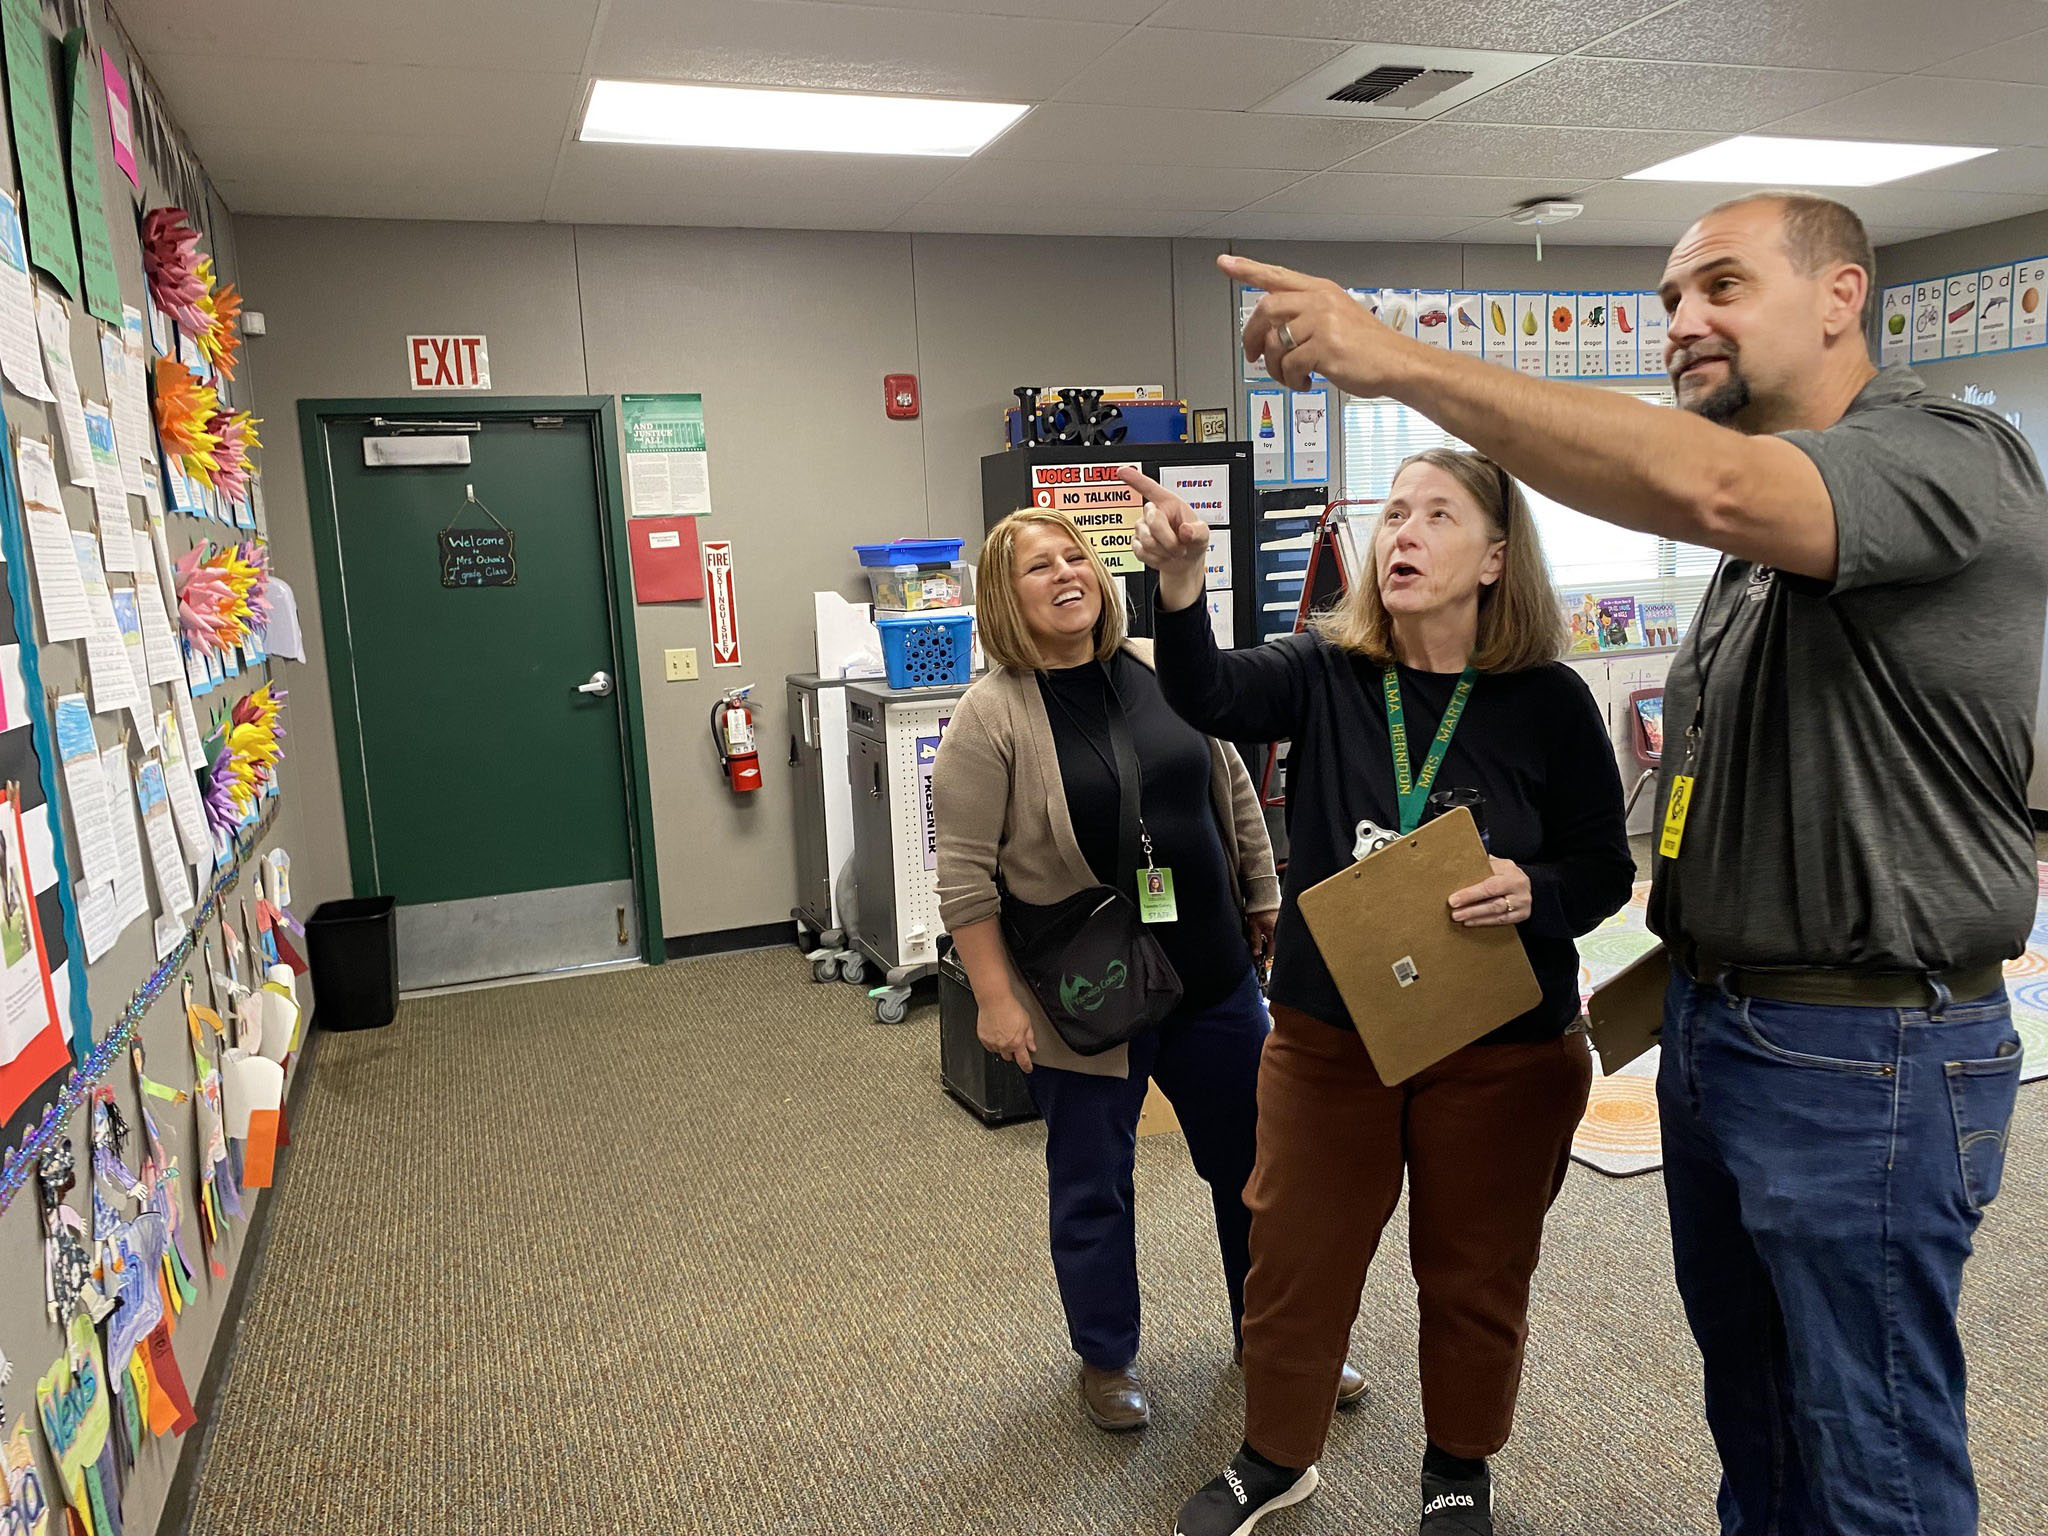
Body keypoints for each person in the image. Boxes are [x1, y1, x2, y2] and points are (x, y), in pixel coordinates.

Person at [1223, 191, 2043, 1536]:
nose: (1680, 322)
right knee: (1759, 1415)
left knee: (1873, 1441)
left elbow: (1702, 481)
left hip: (1864, 1051)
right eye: (1667, 300)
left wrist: (1396, 360)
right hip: (1720, 1026)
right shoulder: (1750, 567)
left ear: (1841, 296)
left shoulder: (1944, 457)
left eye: (1721, 286)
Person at [1131, 451, 1631, 1536]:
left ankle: (1457, 1467)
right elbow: (1205, 691)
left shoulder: (1547, 702)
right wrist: (1178, 583)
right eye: (1395, 511)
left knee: (1475, 1270)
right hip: (1333, 1035)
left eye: (1437, 515)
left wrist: (1533, 891)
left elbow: (1604, 870)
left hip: (1500, 1042)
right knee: (1295, 1257)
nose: (1403, 531)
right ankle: (1276, 1457)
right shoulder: (1325, 671)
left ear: (1493, 559)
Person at [931, 508, 1364, 1433]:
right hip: (1089, 994)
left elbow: (1230, 785)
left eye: (1074, 557)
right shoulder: (989, 717)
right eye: (1038, 567)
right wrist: (995, 1000)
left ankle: (1274, 1337)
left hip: (1213, 976)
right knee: (1094, 1183)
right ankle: (1107, 1357)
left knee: (1260, 1167)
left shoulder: (1162, 667)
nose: (1066, 574)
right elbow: (964, 877)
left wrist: (1262, 891)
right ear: (1003, 599)